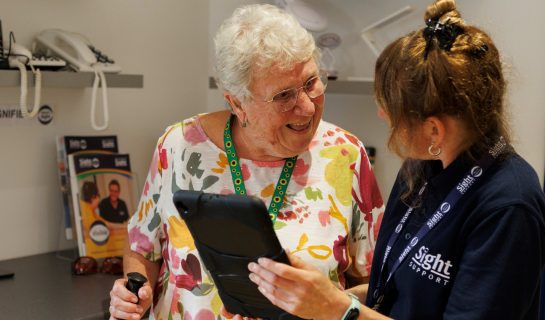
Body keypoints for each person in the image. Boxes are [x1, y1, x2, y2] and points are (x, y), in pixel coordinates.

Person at [247, 0, 545, 319]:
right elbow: (397, 287)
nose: (381, 114)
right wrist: (324, 295)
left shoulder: (508, 208)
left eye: (391, 107)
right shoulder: (422, 167)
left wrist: (338, 310)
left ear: (434, 130)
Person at [108, 4, 384, 320]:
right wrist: (134, 292)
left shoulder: (345, 154)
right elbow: (143, 247)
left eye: (310, 83)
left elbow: (372, 282)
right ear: (238, 103)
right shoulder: (179, 147)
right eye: (284, 96)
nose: (307, 107)